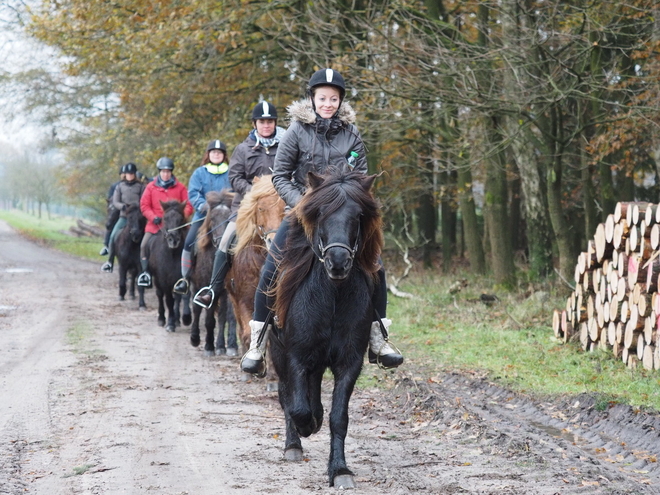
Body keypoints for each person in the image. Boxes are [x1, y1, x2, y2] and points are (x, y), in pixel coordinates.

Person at [240, 68, 404, 375]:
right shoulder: (295, 132)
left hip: (341, 216)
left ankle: (379, 339)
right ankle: (258, 341)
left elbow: (360, 178)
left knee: (376, 265)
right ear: (312, 99)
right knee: (271, 266)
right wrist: (303, 203)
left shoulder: (353, 134)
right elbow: (280, 175)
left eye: (333, 98)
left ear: (340, 100)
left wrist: (352, 203)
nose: (327, 103)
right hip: (304, 214)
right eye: (322, 98)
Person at [193, 101, 285, 308]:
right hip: (245, 206)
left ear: (275, 123)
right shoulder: (243, 149)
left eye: (270, 121)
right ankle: (213, 290)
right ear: (255, 124)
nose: (266, 125)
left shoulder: (286, 146)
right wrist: (255, 192)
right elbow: (235, 177)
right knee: (226, 241)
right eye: (262, 121)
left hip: (280, 206)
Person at [172, 141, 231, 295]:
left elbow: (236, 192)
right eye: (213, 152)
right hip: (203, 215)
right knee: (189, 243)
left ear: (224, 155)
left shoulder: (231, 171)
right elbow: (193, 194)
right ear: (208, 154)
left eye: (219, 152)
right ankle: (184, 279)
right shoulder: (199, 173)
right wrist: (204, 207)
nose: (216, 154)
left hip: (226, 216)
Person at [137, 157, 194, 288]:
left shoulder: (180, 187)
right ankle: (145, 274)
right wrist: (153, 217)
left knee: (193, 243)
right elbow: (144, 205)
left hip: (177, 225)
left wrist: (180, 217)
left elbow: (189, 204)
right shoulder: (151, 187)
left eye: (168, 171)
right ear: (159, 172)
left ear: (171, 172)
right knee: (144, 245)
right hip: (156, 224)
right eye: (163, 171)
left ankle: (191, 273)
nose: (166, 174)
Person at [101, 162, 146, 272]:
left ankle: (146, 267)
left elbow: (144, 200)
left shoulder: (141, 186)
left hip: (137, 217)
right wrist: (123, 207)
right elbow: (115, 201)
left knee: (147, 238)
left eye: (131, 173)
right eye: (128, 173)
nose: (130, 175)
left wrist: (136, 207)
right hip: (124, 216)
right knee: (113, 236)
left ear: (134, 174)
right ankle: (110, 261)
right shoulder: (119, 186)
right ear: (124, 174)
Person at [100, 165, 126, 256]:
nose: (124, 175)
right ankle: (106, 245)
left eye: (126, 173)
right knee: (111, 221)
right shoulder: (115, 186)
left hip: (129, 209)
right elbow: (111, 199)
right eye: (122, 174)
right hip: (117, 208)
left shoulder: (136, 186)